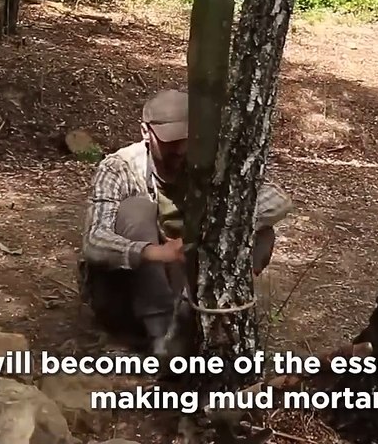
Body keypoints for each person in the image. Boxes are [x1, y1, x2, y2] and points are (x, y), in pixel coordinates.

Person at [78, 88, 293, 355]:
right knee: (136, 210)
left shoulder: (208, 161)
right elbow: (94, 241)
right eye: (170, 140)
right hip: (125, 295)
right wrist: (156, 252)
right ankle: (160, 338)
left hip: (186, 285)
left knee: (263, 233)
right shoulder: (119, 167)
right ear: (146, 132)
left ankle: (213, 319)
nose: (180, 149)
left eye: (187, 138)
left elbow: (278, 200)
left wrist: (215, 227)